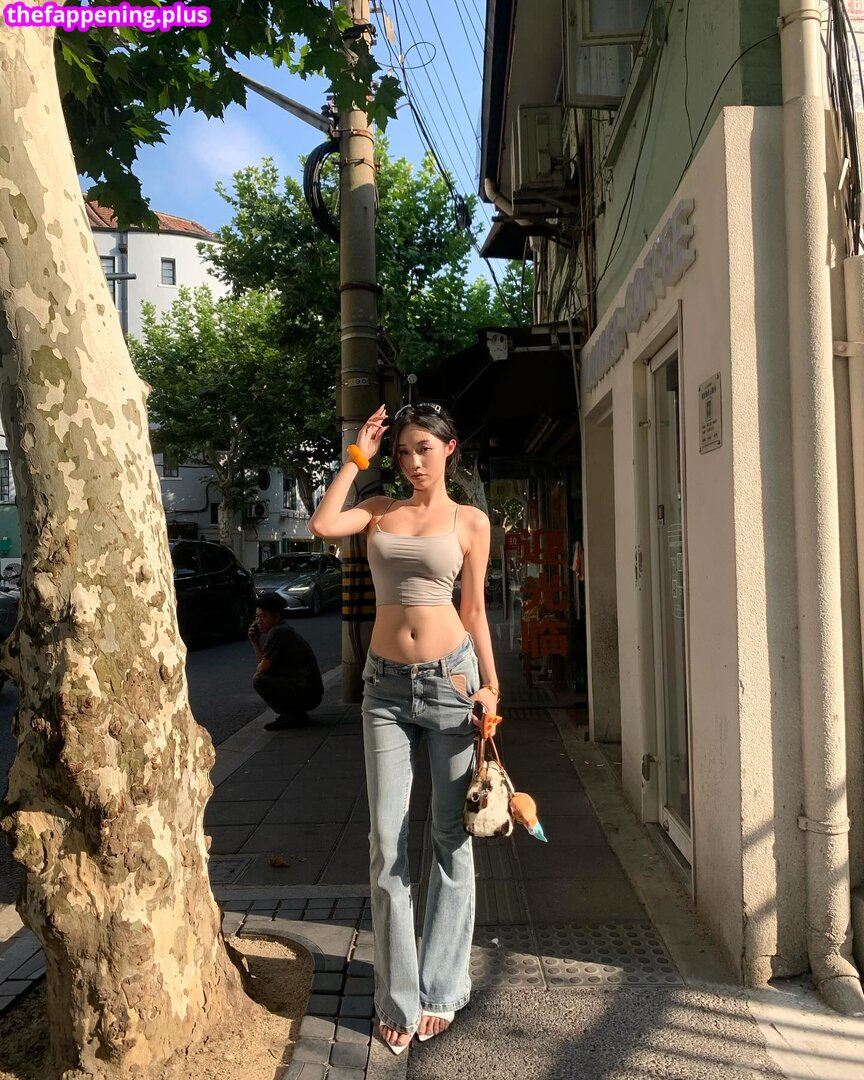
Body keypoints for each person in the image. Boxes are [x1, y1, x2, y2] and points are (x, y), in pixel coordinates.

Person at [309, 402, 500, 1053]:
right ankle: (397, 997)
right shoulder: (379, 509)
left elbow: (473, 611)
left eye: (425, 449)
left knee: (451, 838)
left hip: (452, 684)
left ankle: (441, 988)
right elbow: (322, 523)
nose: (414, 462)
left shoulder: (470, 521)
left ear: (450, 449)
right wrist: (357, 456)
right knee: (386, 843)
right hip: (384, 688)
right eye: (404, 452)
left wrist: (491, 685)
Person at [248, 592, 324, 730]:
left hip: (308, 694)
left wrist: (260, 660)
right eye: (257, 617)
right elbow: (265, 665)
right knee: (263, 677)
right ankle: (293, 714)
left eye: (263, 616)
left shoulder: (278, 632)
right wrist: (255, 642)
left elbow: (262, 668)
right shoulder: (282, 630)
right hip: (308, 691)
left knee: (258, 679)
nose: (258, 621)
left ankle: (292, 716)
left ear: (276, 617)